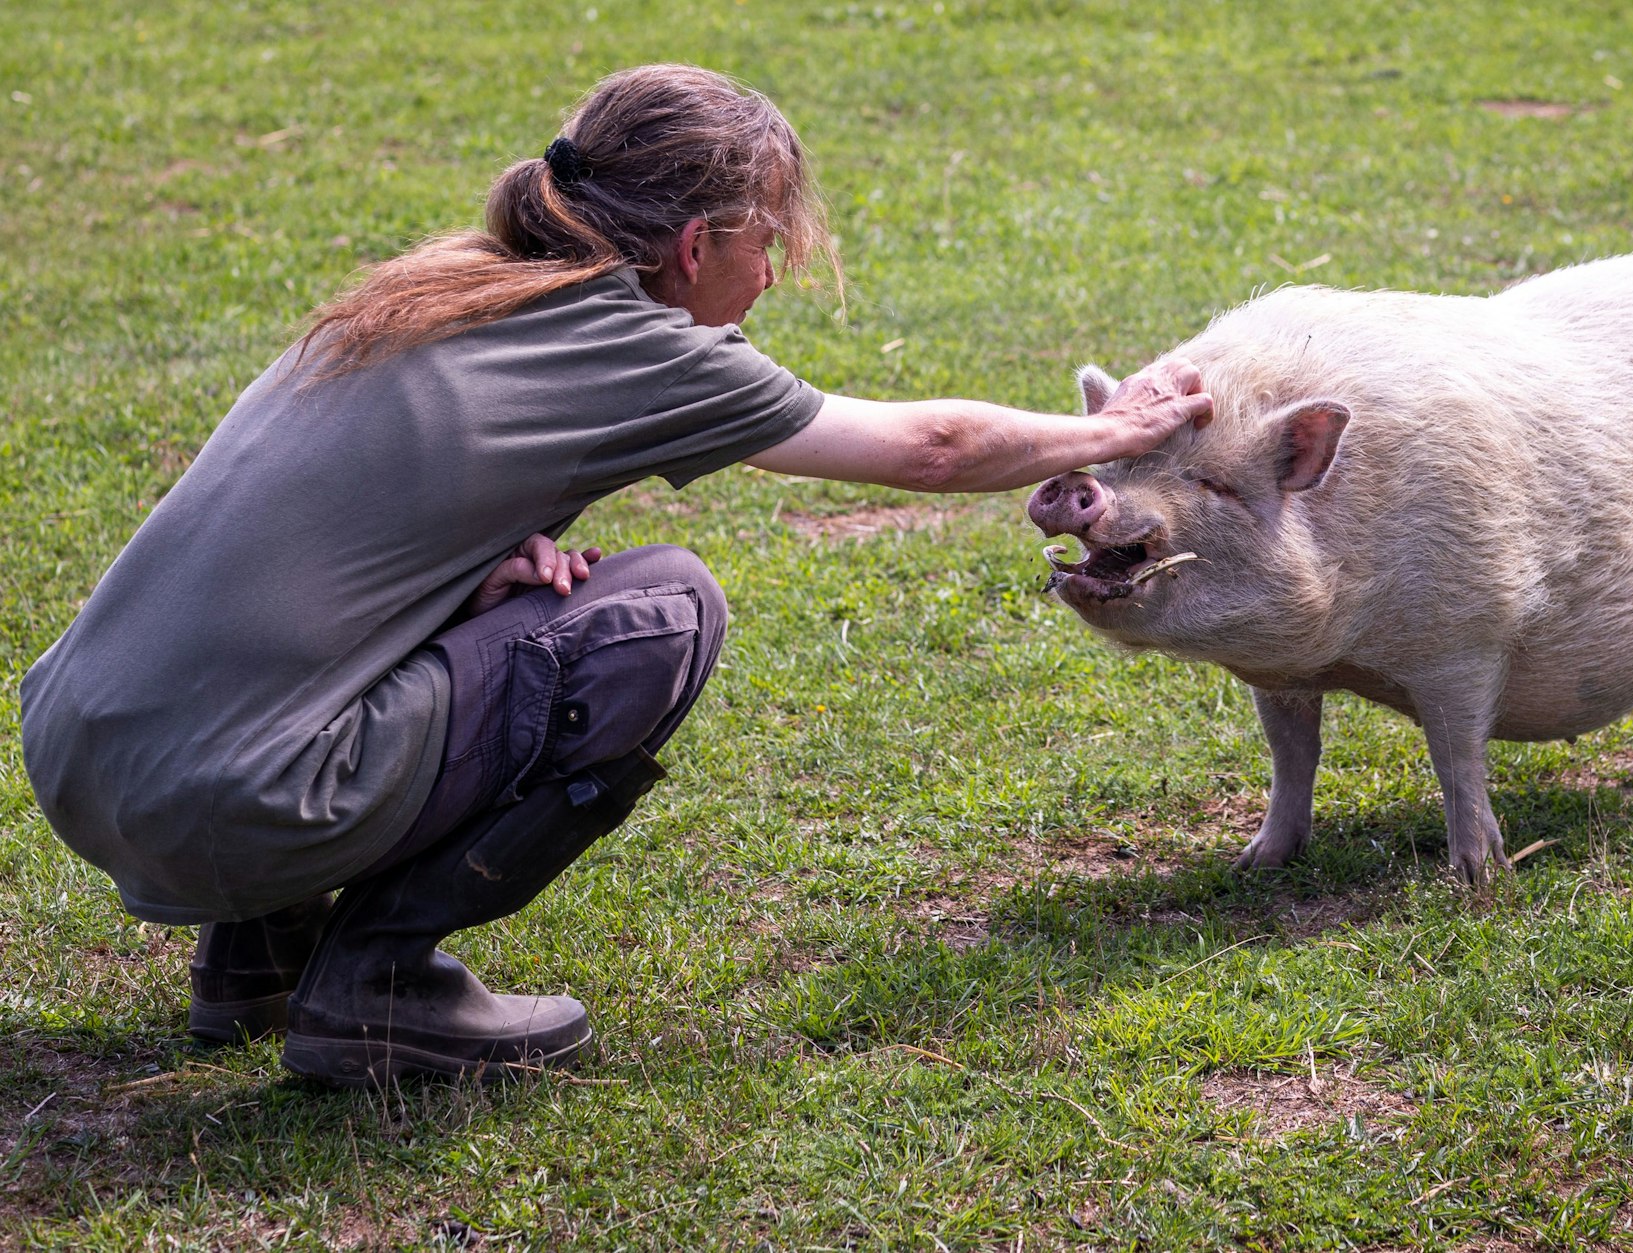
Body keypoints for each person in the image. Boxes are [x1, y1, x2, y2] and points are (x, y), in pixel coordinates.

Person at [19, 64, 1211, 1088]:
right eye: (773, 244)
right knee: (658, 610)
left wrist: (469, 574)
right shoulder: (627, 337)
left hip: (84, 752)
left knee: (505, 609)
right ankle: (375, 983)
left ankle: (257, 957)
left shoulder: (439, 285)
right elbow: (930, 447)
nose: (774, 275)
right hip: (235, 794)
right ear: (699, 246)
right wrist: (1114, 434)